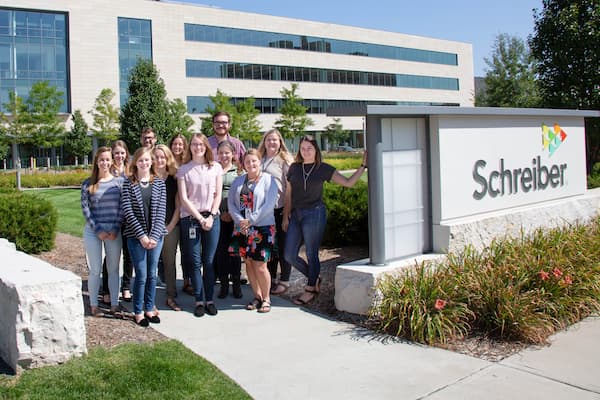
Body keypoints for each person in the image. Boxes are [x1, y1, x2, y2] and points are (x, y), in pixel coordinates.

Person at [283, 135, 367, 305]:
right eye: (303, 148)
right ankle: (315, 278)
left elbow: (348, 183)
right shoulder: (294, 168)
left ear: (316, 150)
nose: (306, 151)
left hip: (314, 213)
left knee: (311, 253)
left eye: (310, 148)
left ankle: (310, 287)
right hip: (296, 214)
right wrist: (286, 215)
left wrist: (363, 166)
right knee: (289, 255)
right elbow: (289, 193)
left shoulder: (323, 168)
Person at [177, 133, 222, 317]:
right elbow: (184, 199)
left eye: (201, 144)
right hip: (190, 220)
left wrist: (210, 216)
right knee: (194, 262)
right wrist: (199, 218)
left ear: (206, 147)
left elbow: (218, 194)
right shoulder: (183, 169)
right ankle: (198, 300)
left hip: (212, 218)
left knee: (209, 262)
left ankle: (209, 299)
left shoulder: (216, 167)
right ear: (190, 147)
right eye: (194, 144)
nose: (198, 147)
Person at [121, 147, 167, 326]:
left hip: (156, 237)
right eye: (140, 160)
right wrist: (142, 236)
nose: (144, 163)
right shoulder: (128, 183)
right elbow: (128, 212)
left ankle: (149, 308)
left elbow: (162, 211)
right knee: (141, 275)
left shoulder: (159, 183)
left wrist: (154, 237)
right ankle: (138, 311)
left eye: (147, 160)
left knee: (152, 275)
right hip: (135, 237)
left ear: (151, 162)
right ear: (135, 163)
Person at [228, 149, 278, 313]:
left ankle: (266, 298)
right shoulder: (238, 181)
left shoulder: (269, 180)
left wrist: (250, 220)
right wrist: (240, 221)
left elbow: (269, 205)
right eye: (248, 162)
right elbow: (231, 204)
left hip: (262, 228)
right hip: (242, 228)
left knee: (260, 265)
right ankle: (256, 296)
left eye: (254, 161)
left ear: (259, 162)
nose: (251, 164)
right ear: (243, 164)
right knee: (248, 263)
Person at [81, 147, 123, 317]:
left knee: (113, 269)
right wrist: (98, 230)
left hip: (113, 231)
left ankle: (114, 304)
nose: (104, 163)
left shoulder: (119, 182)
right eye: (101, 160)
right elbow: (85, 209)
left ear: (112, 161)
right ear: (96, 162)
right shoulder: (87, 184)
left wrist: (114, 228)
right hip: (93, 231)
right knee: (95, 269)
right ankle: (94, 305)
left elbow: (122, 208)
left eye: (107, 159)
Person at [257, 128, 293, 295]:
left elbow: (289, 190)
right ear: (264, 141)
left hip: (279, 211)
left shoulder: (284, 161)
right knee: (269, 247)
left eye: (275, 140)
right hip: (264, 213)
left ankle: (284, 280)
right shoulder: (260, 160)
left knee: (284, 247)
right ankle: (270, 279)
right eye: (269, 139)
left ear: (280, 142)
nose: (272, 142)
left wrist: (286, 215)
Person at [100, 140, 133, 304]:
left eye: (122, 152)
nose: (119, 156)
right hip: (112, 220)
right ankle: (106, 288)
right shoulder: (107, 171)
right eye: (116, 153)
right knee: (111, 256)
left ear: (126, 154)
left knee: (129, 255)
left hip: (129, 220)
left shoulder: (131, 171)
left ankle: (126, 287)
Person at [155, 144, 182, 311]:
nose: (159, 160)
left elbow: (179, 205)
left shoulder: (174, 178)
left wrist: (170, 225)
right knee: (150, 264)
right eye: (156, 157)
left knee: (169, 261)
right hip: (151, 227)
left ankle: (171, 295)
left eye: (162, 157)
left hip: (171, 225)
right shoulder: (147, 177)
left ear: (168, 159)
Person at [215, 140, 243, 299]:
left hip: (235, 217)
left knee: (235, 253)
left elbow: (244, 194)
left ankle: (237, 285)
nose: (224, 156)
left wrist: (233, 214)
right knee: (221, 253)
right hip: (218, 216)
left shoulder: (239, 171)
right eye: (221, 153)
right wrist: (220, 212)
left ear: (233, 154)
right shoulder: (214, 169)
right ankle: (224, 285)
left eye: (227, 153)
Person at [169, 134, 192, 295]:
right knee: (169, 252)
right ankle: (169, 282)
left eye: (180, 144)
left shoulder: (188, 165)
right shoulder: (166, 164)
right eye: (175, 144)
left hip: (186, 211)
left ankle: (187, 281)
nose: (177, 147)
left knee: (187, 250)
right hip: (170, 209)